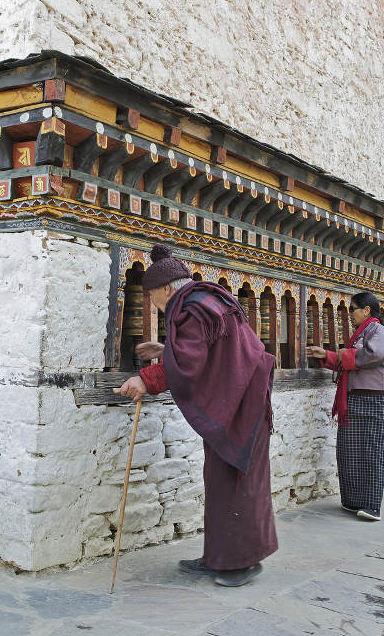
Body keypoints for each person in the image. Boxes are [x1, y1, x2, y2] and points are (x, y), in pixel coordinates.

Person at [117, 244, 277, 587]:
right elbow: (214, 348)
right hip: (240, 398)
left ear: (165, 289)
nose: (154, 305)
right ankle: (218, 557)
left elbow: (191, 361)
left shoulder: (193, 308)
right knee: (219, 481)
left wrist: (146, 379)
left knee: (237, 482)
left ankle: (242, 563)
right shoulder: (205, 300)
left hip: (244, 406)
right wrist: (166, 350)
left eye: (152, 297)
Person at [307, 292, 384, 522]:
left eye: (353, 309)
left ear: (367, 310)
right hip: (355, 399)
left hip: (378, 400)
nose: (350, 314)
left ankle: (372, 506)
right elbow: (348, 363)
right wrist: (326, 355)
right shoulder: (360, 334)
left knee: (374, 451)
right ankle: (354, 501)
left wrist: (344, 354)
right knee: (350, 451)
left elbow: (373, 354)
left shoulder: (378, 331)